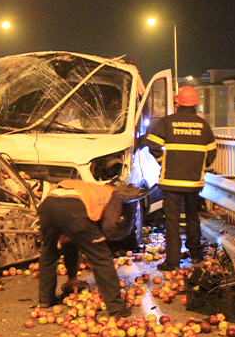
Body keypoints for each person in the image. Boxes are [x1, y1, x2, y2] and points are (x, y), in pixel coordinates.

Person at [37, 179, 132, 318]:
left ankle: (46, 299)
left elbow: (70, 243)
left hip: (48, 206)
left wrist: (72, 277)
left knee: (48, 253)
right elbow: (108, 226)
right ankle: (117, 308)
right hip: (74, 209)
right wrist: (98, 244)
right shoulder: (113, 194)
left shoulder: (86, 187)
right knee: (102, 258)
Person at [145, 86, 217, 271]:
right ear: (195, 104)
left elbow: (152, 143)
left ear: (177, 103)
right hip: (194, 182)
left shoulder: (168, 122)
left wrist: (163, 161)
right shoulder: (203, 126)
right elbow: (211, 153)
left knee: (172, 221)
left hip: (171, 181)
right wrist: (199, 166)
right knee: (193, 218)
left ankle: (172, 261)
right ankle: (196, 255)